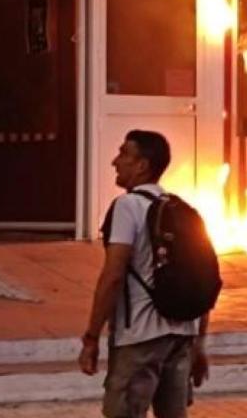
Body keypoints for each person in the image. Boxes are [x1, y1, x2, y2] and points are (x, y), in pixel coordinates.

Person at [78, 130, 210, 418]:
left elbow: (112, 276)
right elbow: (205, 279)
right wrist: (199, 342)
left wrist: (91, 338)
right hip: (181, 338)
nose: (115, 161)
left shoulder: (128, 207)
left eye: (124, 153)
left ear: (142, 165)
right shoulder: (185, 209)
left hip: (139, 338)